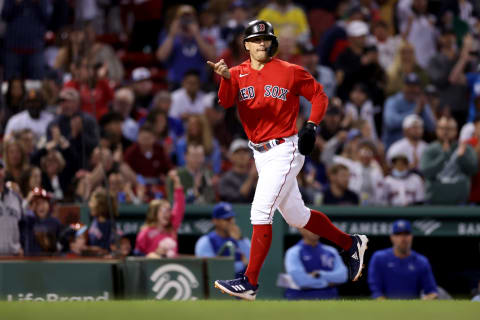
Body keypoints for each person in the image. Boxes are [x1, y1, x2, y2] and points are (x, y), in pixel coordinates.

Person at [208, 20, 368, 301]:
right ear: (245, 44)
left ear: (272, 42)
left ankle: (250, 282)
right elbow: (225, 102)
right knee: (298, 217)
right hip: (259, 153)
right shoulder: (236, 72)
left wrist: (312, 125)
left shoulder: (290, 71)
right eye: (256, 39)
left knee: (260, 212)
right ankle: (350, 243)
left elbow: (318, 95)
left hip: (285, 148)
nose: (261, 43)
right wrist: (224, 78)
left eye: (265, 38)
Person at [368, 220, 438, 300]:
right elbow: (376, 291)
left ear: (411, 236)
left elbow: (432, 292)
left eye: (406, 234)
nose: (403, 238)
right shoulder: (379, 258)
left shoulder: (421, 261)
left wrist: (424, 301)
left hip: (414, 309)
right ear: (392, 237)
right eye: (398, 234)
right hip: (386, 308)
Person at [420, 116, 478, 204]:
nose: (445, 132)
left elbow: (473, 170)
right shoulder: (429, 149)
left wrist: (462, 157)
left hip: (460, 203)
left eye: (449, 128)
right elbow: (426, 172)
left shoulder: (466, 148)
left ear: (456, 131)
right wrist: (444, 155)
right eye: (442, 128)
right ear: (437, 130)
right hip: (434, 203)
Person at [156, 5, 216, 87]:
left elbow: (212, 58)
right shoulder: (170, 37)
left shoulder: (203, 36)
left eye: (189, 17)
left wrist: (197, 35)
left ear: (195, 19)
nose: (186, 20)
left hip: (199, 83)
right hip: (176, 83)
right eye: (183, 17)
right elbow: (161, 57)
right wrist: (172, 35)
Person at [283, 228, 348, 300]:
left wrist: (319, 274)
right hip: (301, 300)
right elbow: (301, 281)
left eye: (317, 226)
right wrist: (327, 283)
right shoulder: (293, 252)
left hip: (329, 300)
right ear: (301, 230)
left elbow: (343, 276)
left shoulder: (331, 251)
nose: (314, 230)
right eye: (310, 227)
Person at [134, 170, 185, 258]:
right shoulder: (145, 232)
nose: (168, 213)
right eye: (164, 210)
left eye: (169, 210)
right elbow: (137, 255)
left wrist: (177, 182)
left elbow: (179, 207)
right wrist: (152, 254)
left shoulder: (172, 228)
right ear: (154, 212)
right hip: (153, 269)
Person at [195, 202, 250, 277]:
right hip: (218, 287)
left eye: (232, 218)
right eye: (227, 219)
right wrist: (242, 264)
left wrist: (239, 240)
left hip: (242, 285)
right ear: (215, 221)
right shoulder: (205, 242)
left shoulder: (241, 239)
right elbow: (212, 269)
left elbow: (254, 264)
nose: (231, 222)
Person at [382, 72, 436, 149]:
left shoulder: (421, 102)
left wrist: (423, 109)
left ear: (419, 88)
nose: (412, 89)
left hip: (415, 147)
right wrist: (414, 112)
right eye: (409, 86)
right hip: (392, 145)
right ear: (403, 87)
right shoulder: (392, 101)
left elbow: (432, 127)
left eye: (415, 86)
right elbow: (390, 123)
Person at [1, 0, 49, 80]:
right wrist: (16, 3)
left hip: (35, 49)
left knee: (37, 84)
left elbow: (47, 16)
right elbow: (4, 15)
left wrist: (38, 2)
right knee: (11, 82)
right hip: (13, 48)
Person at [20, 187, 61, 256]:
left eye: (44, 202)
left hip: (50, 261)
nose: (41, 206)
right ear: (32, 206)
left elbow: (60, 245)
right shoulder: (27, 221)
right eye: (37, 203)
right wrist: (27, 202)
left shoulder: (55, 222)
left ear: (49, 204)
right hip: (29, 261)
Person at [219, 139, 257, 203]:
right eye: (238, 152)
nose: (242, 155)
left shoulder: (256, 176)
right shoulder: (226, 178)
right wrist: (251, 177)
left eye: (245, 152)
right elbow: (238, 199)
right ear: (231, 156)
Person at [0, 159, 24, 256]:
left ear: (4, 172)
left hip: (13, 255)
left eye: (0, 168)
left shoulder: (15, 197)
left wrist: (22, 247)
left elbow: (23, 224)